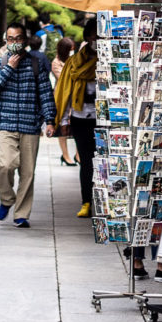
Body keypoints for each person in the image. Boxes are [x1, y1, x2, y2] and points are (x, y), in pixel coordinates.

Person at [0, 21, 56, 228]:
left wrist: (50, 120)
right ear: (5, 41)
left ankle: (21, 214)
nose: (14, 43)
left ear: (24, 40)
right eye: (10, 39)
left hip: (30, 123)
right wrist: (9, 68)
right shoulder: (0, 61)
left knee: (28, 172)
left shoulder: (35, 63)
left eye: (17, 39)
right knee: (4, 165)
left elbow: (45, 93)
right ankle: (7, 199)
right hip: (6, 123)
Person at [54, 19, 98, 216]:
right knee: (86, 161)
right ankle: (86, 201)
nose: (97, 39)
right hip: (81, 118)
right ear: (87, 37)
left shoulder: (113, 60)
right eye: (93, 34)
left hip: (106, 120)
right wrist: (63, 121)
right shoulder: (74, 63)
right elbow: (66, 93)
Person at [50, 37, 77, 167]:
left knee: (76, 126)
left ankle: (78, 155)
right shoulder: (56, 62)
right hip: (63, 98)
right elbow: (64, 79)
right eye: (70, 50)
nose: (72, 52)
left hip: (76, 97)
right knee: (63, 125)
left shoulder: (75, 60)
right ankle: (65, 155)